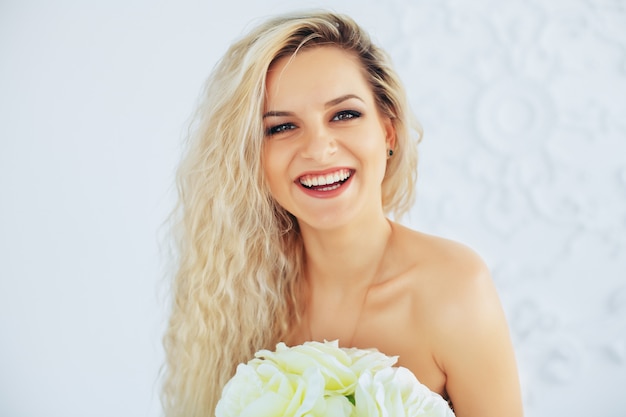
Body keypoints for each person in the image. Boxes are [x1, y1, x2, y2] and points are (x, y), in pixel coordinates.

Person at [162, 9, 524, 417]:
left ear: (387, 131)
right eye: (281, 127)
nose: (318, 149)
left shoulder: (454, 287)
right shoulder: (234, 294)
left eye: (344, 115)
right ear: (251, 157)